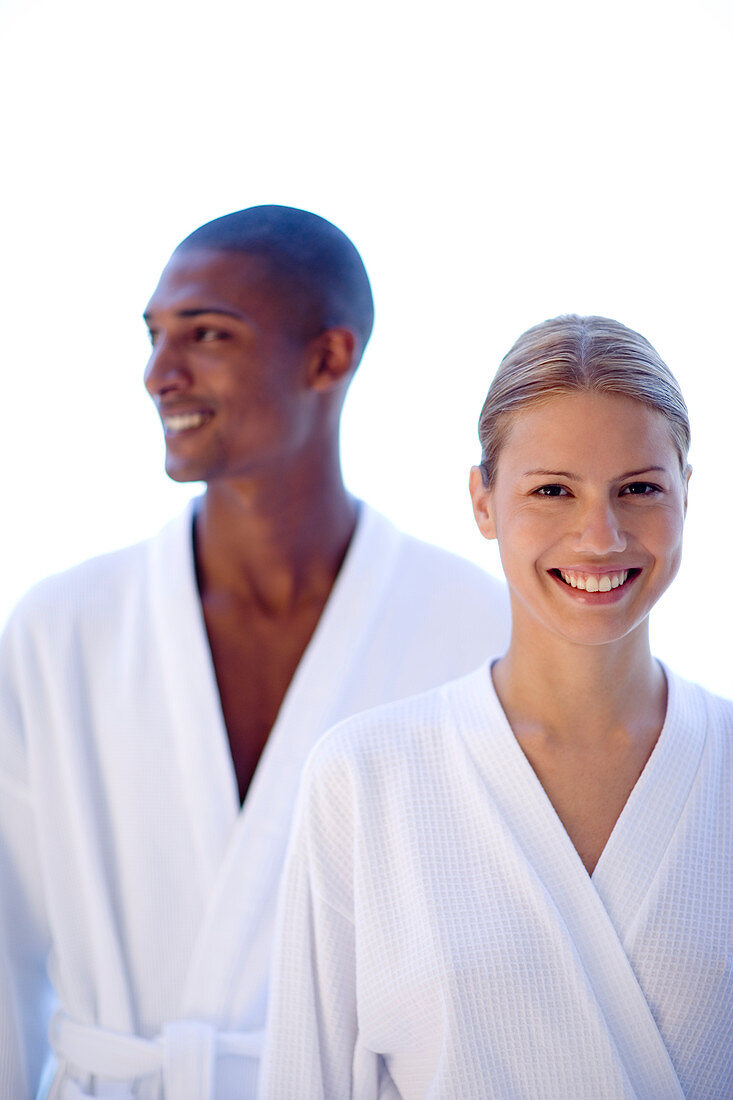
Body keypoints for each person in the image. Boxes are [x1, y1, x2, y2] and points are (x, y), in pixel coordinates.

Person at [0, 205, 511, 1099]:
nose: (159, 373)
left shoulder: (477, 633)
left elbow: (512, 969)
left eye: (206, 333)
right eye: (155, 335)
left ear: (328, 357)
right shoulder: (59, 629)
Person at [260, 314, 733, 1100]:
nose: (599, 535)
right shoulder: (365, 779)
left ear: (688, 492)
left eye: (639, 489)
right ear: (482, 502)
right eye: (552, 490)